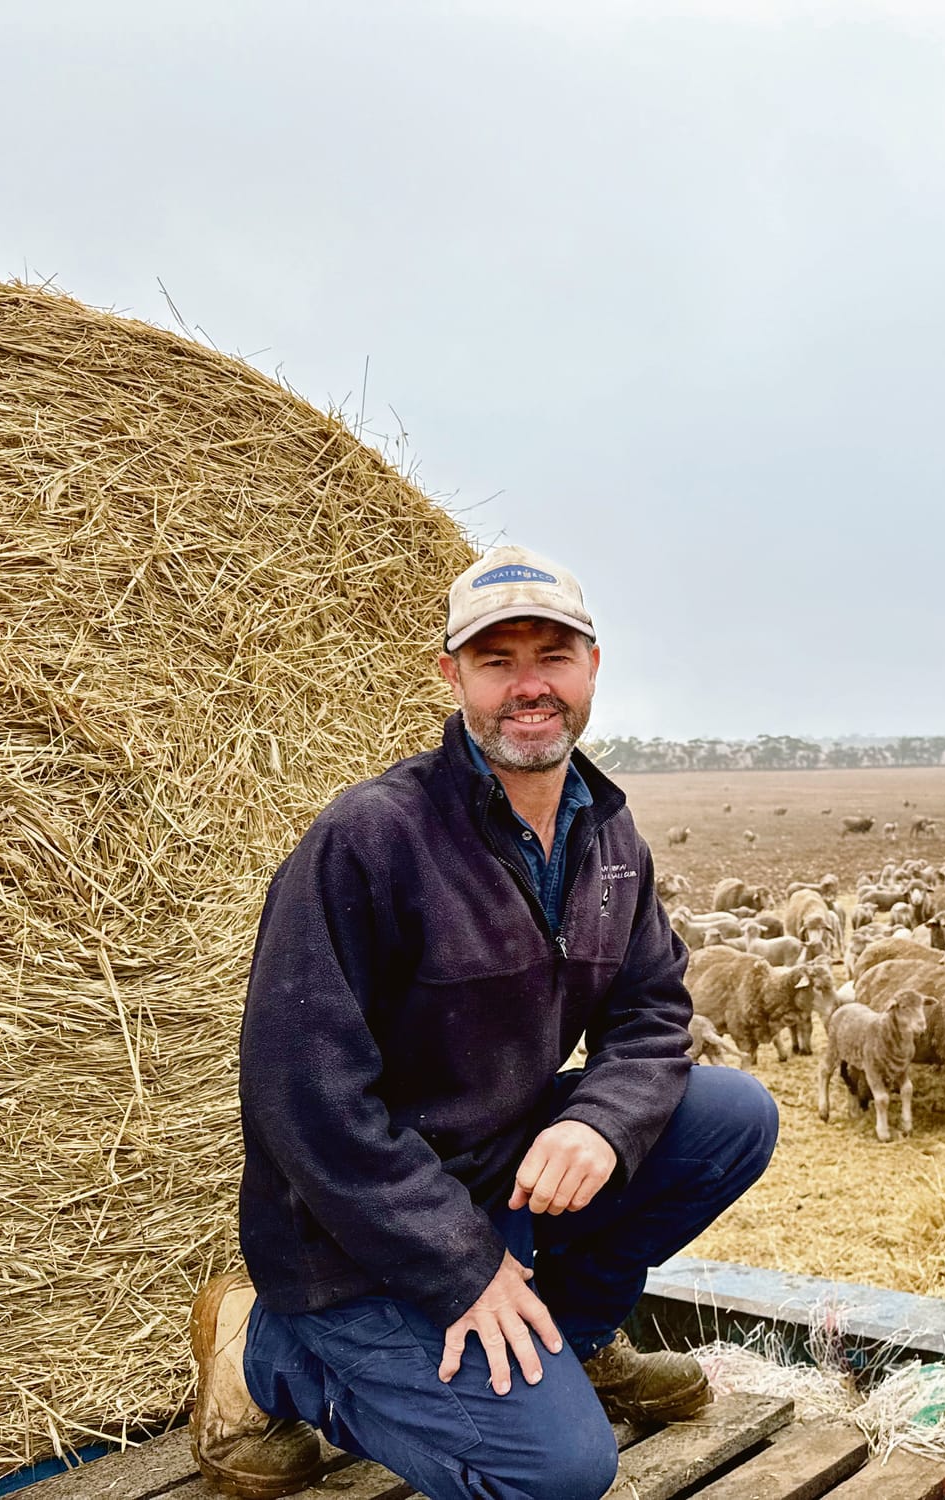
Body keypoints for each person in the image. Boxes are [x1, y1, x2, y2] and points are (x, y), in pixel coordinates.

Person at [188, 545, 778, 1500]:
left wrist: (600, 1121)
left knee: (733, 1116)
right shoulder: (373, 838)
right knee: (559, 1473)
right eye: (497, 661)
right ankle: (269, 1357)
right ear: (452, 673)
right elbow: (303, 1098)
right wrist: (462, 1266)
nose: (528, 686)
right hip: (356, 1236)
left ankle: (569, 1338)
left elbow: (653, 1012)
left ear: (593, 666)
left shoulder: (608, 838)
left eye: (551, 656)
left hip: (497, 1176)